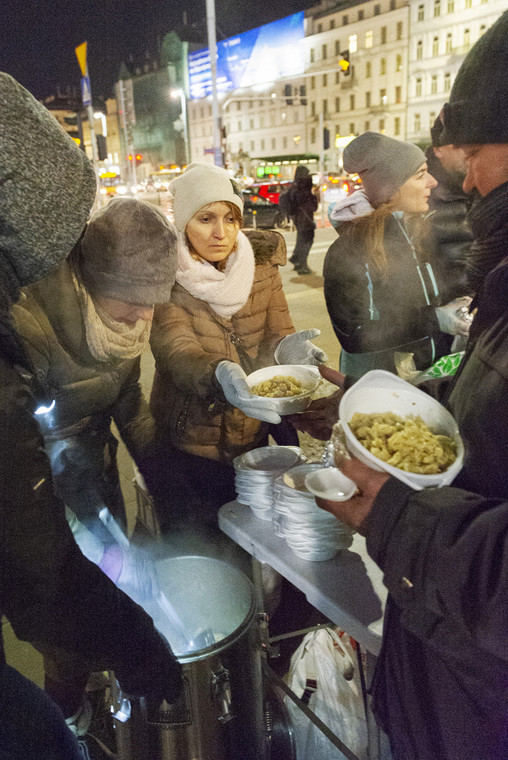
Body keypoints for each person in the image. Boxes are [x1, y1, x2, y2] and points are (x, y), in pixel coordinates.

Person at [292, 12, 508, 759]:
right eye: (422, 171)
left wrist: (450, 338)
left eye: (468, 155)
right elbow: (362, 338)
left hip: (474, 678)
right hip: (382, 389)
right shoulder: (351, 255)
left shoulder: (434, 238)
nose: (450, 177)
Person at [0, 72, 182, 760]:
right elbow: (24, 514)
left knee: (114, 592)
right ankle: (68, 710)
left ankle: (97, 694)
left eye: (154, 304)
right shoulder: (28, 323)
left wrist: (160, 469)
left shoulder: (126, 338)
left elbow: (129, 408)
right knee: (64, 635)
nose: (142, 320)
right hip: (40, 496)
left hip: (88, 488)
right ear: (86, 283)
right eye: (128, 305)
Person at [148, 162, 326, 532]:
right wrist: (218, 371)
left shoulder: (261, 269)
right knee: (208, 534)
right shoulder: (165, 277)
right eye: (206, 218)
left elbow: (278, 332)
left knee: (262, 533)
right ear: (183, 223)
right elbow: (176, 349)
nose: (221, 233)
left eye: (231, 219)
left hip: (254, 430)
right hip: (193, 438)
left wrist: (291, 352)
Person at [325, 132, 472, 377]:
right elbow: (355, 336)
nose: (432, 182)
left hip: (430, 377)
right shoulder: (348, 251)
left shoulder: (419, 232)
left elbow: (423, 295)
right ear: (391, 187)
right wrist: (435, 320)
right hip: (380, 388)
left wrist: (456, 303)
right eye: (420, 174)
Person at [424, 110, 474, 303]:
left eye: (472, 144)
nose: (467, 151)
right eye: (458, 145)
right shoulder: (421, 195)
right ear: (438, 149)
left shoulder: (482, 185)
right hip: (450, 315)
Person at [286, 165, 319, 275]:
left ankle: (296, 259)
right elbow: (311, 205)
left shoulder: (294, 186)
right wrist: (314, 197)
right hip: (305, 218)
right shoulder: (304, 187)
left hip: (298, 218)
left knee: (301, 240)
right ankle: (302, 265)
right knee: (307, 241)